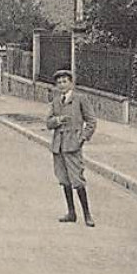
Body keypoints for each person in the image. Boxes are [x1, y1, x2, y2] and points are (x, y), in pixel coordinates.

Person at [45, 69, 96, 226]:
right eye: (59, 82)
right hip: (58, 146)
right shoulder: (55, 101)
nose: (62, 85)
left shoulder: (80, 99)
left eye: (64, 81)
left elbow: (91, 121)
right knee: (64, 180)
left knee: (77, 180)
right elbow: (48, 123)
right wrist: (58, 120)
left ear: (71, 83)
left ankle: (87, 215)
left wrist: (82, 138)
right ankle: (71, 213)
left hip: (73, 146)